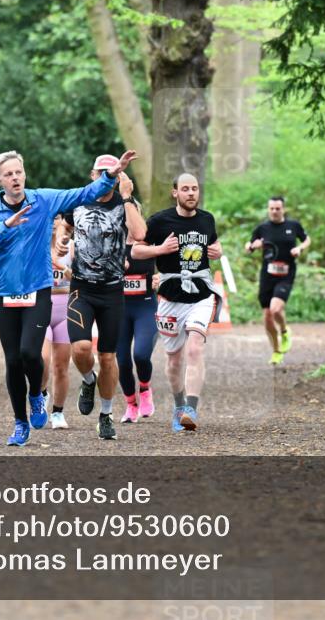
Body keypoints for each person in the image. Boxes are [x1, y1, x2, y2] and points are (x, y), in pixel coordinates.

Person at [0, 149, 134, 447]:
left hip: (38, 289)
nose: (15, 177)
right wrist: (5, 227)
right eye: (8, 174)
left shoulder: (42, 200)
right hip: (5, 293)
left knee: (31, 354)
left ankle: (36, 394)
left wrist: (112, 174)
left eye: (18, 172)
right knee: (12, 362)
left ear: (25, 174)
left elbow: (84, 192)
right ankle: (20, 423)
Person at [132, 173, 223, 432]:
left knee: (195, 348)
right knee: (173, 359)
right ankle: (179, 405)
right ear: (175, 193)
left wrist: (219, 250)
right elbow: (137, 250)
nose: (191, 193)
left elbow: (215, 246)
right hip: (170, 298)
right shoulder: (160, 221)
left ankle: (191, 409)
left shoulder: (207, 219)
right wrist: (159, 250)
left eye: (194, 188)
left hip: (201, 294)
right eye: (185, 189)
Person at [64, 155, 146, 440]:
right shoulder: (76, 201)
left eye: (113, 172)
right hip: (81, 288)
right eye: (102, 172)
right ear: (92, 174)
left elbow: (140, 233)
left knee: (108, 358)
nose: (107, 176)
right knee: (81, 349)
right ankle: (88, 380)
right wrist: (63, 242)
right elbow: (62, 224)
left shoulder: (125, 204)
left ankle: (106, 414)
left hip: (112, 290)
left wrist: (126, 197)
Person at [245, 196, 310, 365]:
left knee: (275, 309)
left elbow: (307, 240)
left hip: (286, 273)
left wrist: (299, 248)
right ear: (268, 209)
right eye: (271, 208)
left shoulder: (293, 226)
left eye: (277, 208)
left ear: (283, 209)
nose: (274, 211)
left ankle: (285, 331)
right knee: (267, 316)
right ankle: (276, 351)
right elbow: (248, 246)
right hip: (267, 275)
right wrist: (253, 246)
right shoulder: (262, 228)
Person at [116, 200, 160, 423]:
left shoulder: (149, 239)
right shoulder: (113, 240)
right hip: (119, 309)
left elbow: (168, 262)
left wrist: (161, 277)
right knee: (122, 361)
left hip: (145, 305)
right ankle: (131, 404)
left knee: (141, 354)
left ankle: (145, 388)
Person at [42, 216, 73, 429]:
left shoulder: (72, 247)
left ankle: (58, 412)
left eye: (57, 218)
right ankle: (41, 393)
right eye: (49, 217)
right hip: (42, 307)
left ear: (63, 222)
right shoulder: (37, 244)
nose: (53, 222)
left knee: (61, 365)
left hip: (66, 309)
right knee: (42, 361)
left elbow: (81, 277)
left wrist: (64, 271)